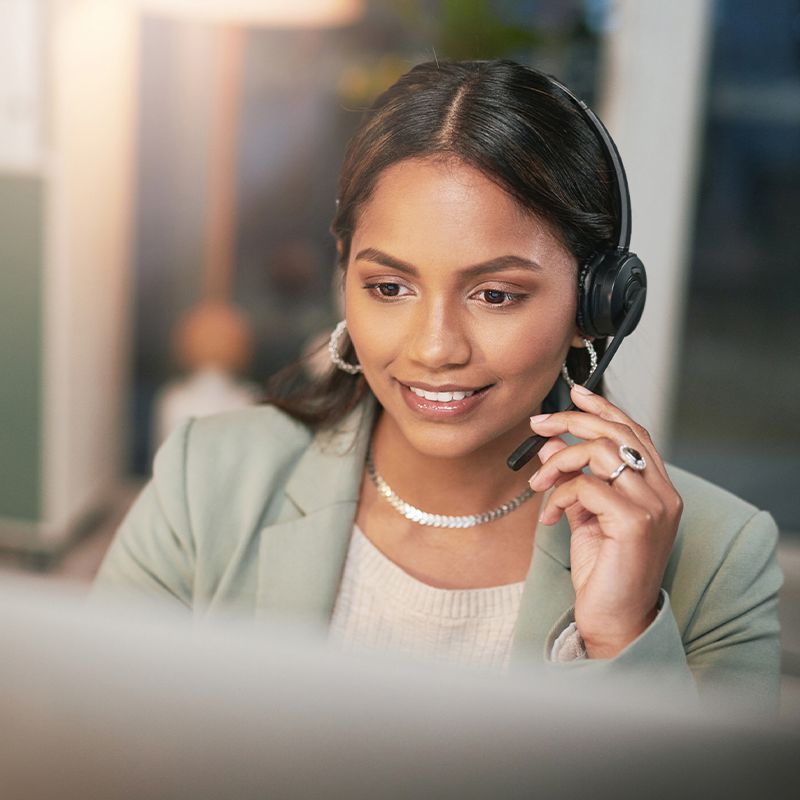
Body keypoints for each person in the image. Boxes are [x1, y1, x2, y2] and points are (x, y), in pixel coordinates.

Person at [93, 60, 781, 709]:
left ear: (596, 305)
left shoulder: (722, 556)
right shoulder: (206, 478)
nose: (434, 348)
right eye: (389, 287)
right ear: (344, 276)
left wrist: (623, 634)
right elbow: (94, 745)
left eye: (495, 295)